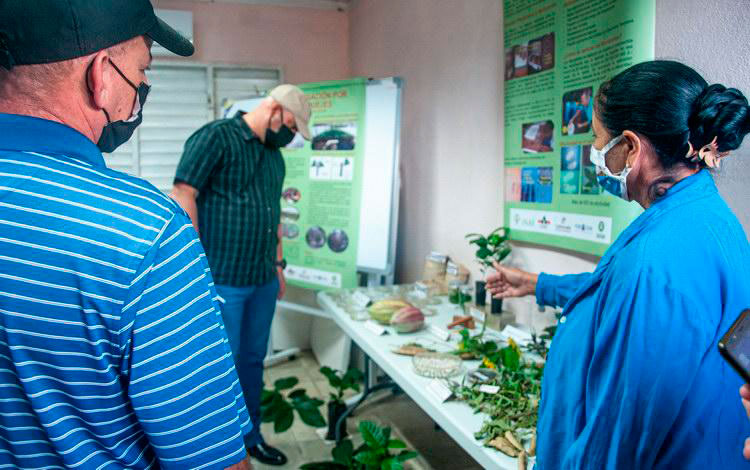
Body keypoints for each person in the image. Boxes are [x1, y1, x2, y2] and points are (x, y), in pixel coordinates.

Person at [0, 2, 253, 469]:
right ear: (101, 75)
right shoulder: (145, 232)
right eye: (141, 71)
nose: (141, 89)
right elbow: (213, 460)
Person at [488, 60, 750, 469]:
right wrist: (537, 283)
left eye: (598, 139)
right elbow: (616, 294)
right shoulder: (707, 218)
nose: (594, 154)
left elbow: (615, 443)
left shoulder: (657, 263)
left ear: (630, 147)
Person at [171, 85, 312, 466]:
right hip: (222, 280)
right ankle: (220, 449)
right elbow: (184, 192)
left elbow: (275, 215)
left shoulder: (274, 157)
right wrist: (192, 264)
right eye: (293, 126)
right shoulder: (217, 137)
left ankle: (250, 436)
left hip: (262, 278)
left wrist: (279, 265)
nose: (292, 135)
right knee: (221, 364)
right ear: (277, 109)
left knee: (252, 359)